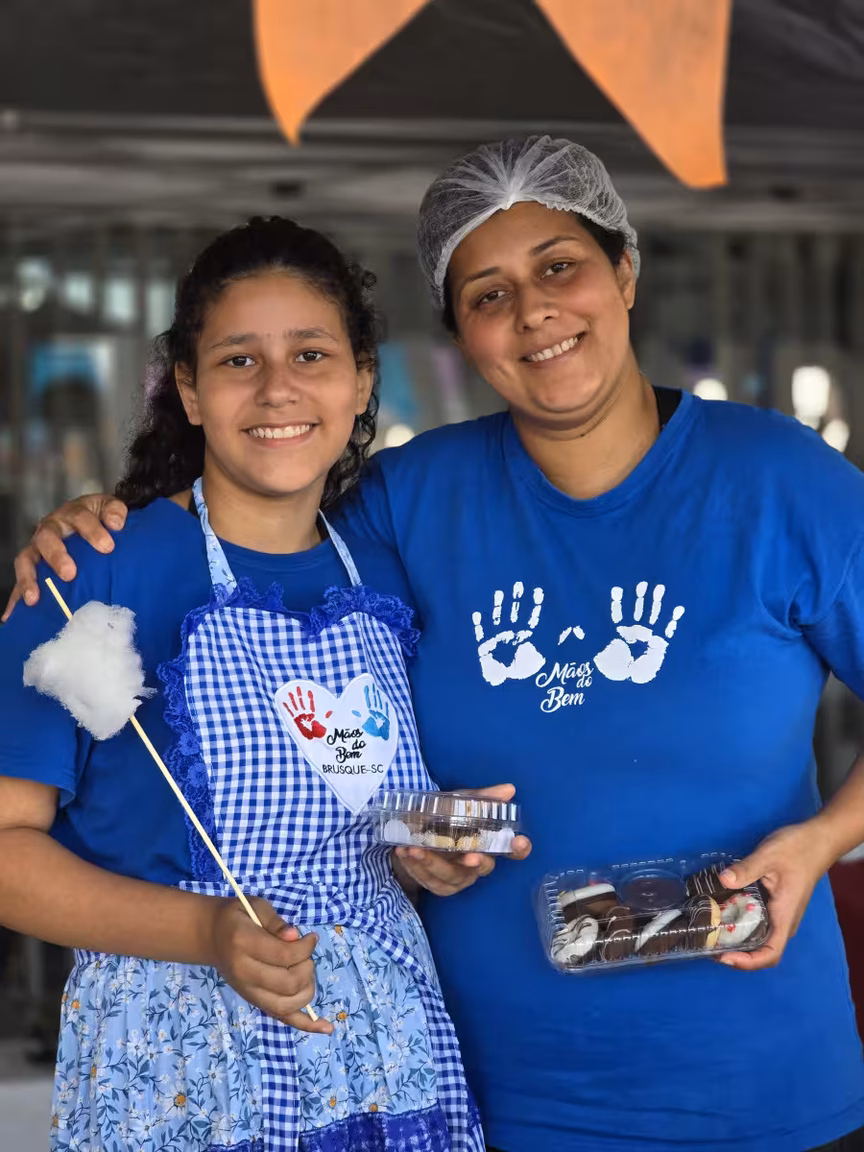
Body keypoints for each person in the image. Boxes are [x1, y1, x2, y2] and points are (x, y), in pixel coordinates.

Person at [9, 136, 864, 1152]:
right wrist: (90, 527)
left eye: (560, 266)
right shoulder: (407, 503)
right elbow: (257, 545)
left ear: (625, 272)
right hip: (486, 1093)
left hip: (755, 1087)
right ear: (459, 332)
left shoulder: (781, 482)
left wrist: (823, 839)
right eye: (488, 293)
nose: (534, 312)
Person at [0, 216, 499, 1152]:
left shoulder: (387, 573)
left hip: (387, 1054)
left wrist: (420, 853)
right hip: (177, 1066)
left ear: (361, 381)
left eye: (311, 354)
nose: (278, 389)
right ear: (188, 390)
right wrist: (206, 931)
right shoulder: (90, 571)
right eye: (238, 360)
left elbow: (352, 810)